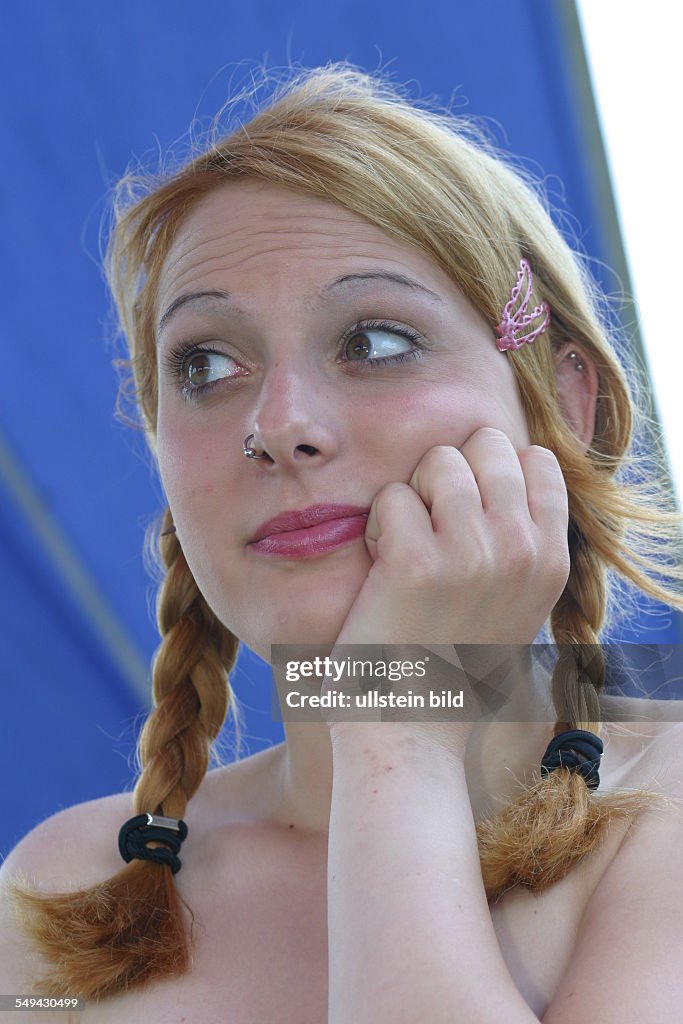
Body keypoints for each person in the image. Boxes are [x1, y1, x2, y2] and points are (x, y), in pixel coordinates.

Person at [2, 63, 683, 1024]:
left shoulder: (669, 795)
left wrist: (392, 717)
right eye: (204, 364)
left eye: (374, 340)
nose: (280, 424)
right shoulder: (64, 888)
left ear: (561, 406)